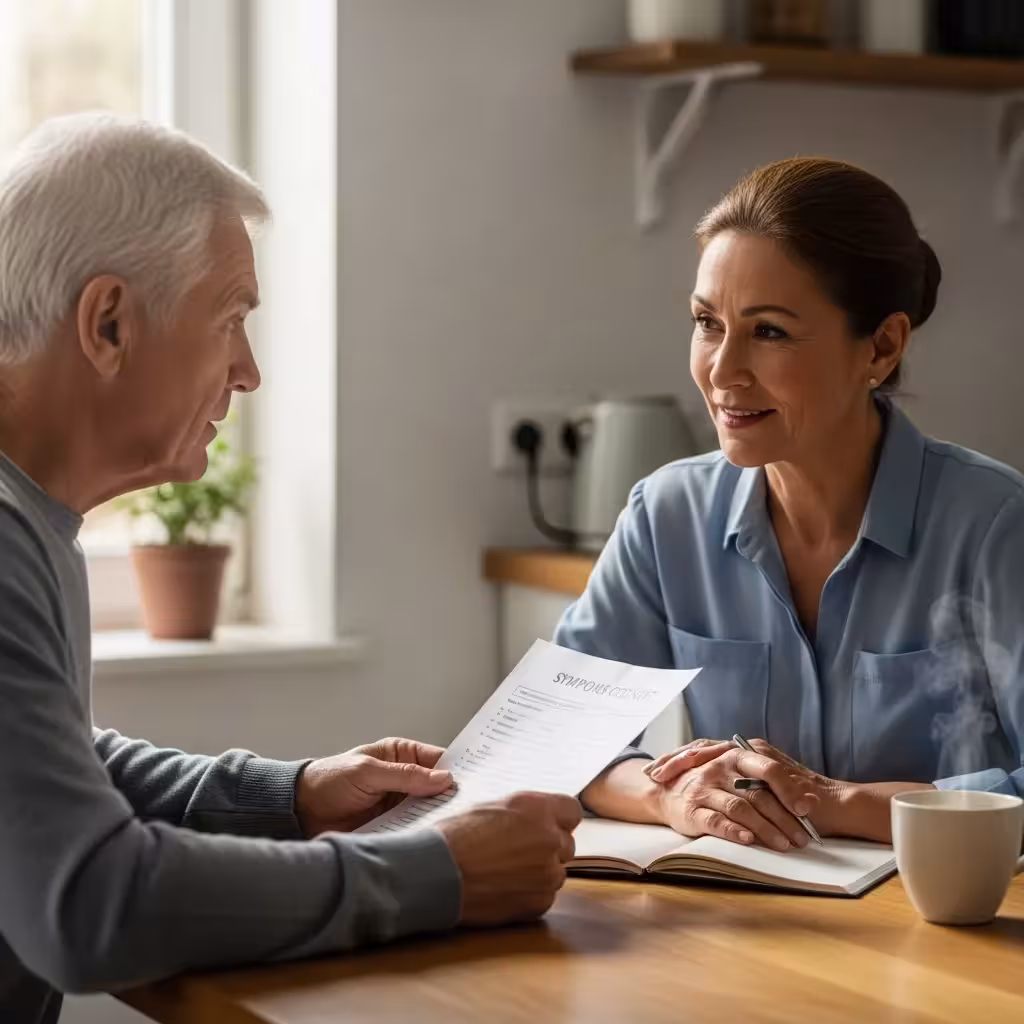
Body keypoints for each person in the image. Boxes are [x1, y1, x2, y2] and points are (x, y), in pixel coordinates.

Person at [0, 113, 580, 1024]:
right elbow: (89, 901)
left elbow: (49, 767)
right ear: (108, 322)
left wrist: (291, 797)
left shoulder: (29, 518)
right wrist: (438, 872)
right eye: (230, 318)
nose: (249, 370)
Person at [557, 156, 1024, 855]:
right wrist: (674, 796)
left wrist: (831, 802)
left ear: (883, 346)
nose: (721, 370)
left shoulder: (994, 524)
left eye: (768, 331)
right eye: (707, 323)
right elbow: (560, 741)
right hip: (748, 927)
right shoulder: (666, 515)